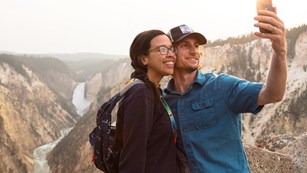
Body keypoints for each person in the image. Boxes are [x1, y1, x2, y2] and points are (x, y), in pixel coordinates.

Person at [163, 8, 287, 173]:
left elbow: (273, 93)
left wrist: (280, 52)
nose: (194, 51)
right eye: (185, 45)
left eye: (196, 45)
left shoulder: (222, 86)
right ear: (171, 53)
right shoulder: (164, 100)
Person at [115, 29, 181, 173]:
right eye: (162, 49)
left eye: (171, 49)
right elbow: (132, 159)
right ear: (144, 59)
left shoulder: (153, 91)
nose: (171, 54)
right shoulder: (141, 95)